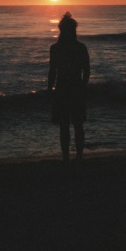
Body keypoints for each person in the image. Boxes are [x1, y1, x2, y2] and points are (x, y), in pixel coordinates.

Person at [48, 12, 90, 164]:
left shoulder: (56, 48)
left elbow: (52, 71)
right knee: (77, 124)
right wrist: (83, 85)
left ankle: (66, 157)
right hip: (76, 87)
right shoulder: (80, 48)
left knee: (64, 125)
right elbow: (86, 70)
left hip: (62, 88)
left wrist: (50, 89)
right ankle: (78, 156)